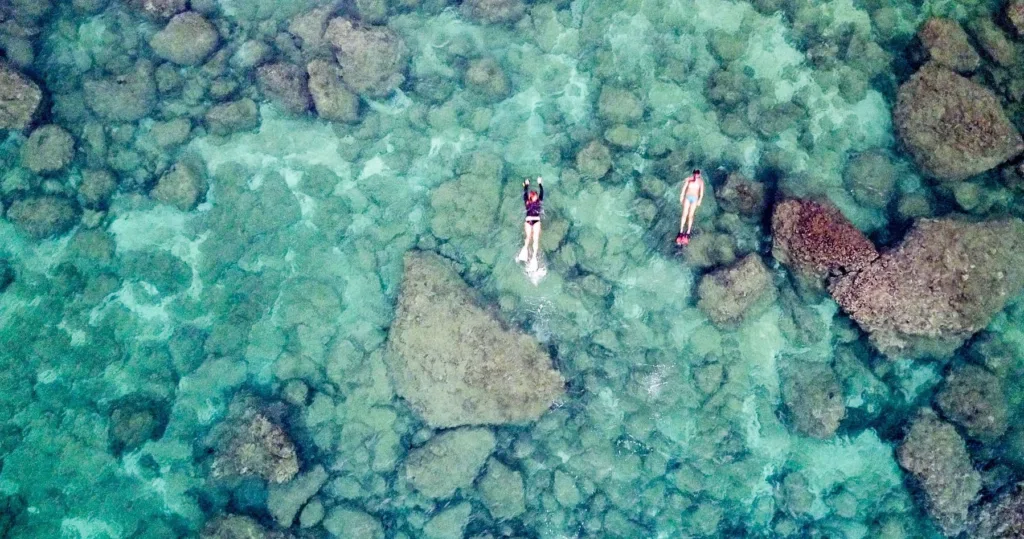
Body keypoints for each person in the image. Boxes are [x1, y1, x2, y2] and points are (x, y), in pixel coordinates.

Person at [517, 176, 543, 270]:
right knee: (528, 237)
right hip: (530, 220)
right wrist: (526, 185)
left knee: (535, 239)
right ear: (532, 197)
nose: (536, 196)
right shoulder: (528, 202)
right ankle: (525, 248)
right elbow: (525, 193)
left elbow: (541, 192)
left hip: (534, 221)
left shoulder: (536, 201)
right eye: (535, 195)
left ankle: (534, 257)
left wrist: (539, 183)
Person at [677, 169, 705, 246]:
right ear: (693, 174)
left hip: (694, 199)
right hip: (687, 197)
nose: (696, 175)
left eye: (697, 173)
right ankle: (681, 231)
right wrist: (681, 196)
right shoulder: (689, 180)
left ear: (699, 174)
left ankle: (688, 232)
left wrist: (700, 200)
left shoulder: (701, 182)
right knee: (684, 214)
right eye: (695, 173)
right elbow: (684, 188)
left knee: (691, 215)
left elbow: (701, 192)